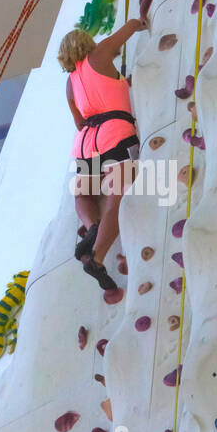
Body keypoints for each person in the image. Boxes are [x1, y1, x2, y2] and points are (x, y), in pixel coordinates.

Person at [57, 16, 148, 292]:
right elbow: (130, 27)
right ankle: (96, 256)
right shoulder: (100, 53)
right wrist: (142, 21)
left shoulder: (70, 84)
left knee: (84, 194)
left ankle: (92, 225)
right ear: (86, 43)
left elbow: (78, 122)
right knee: (117, 195)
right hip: (114, 132)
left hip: (85, 142)